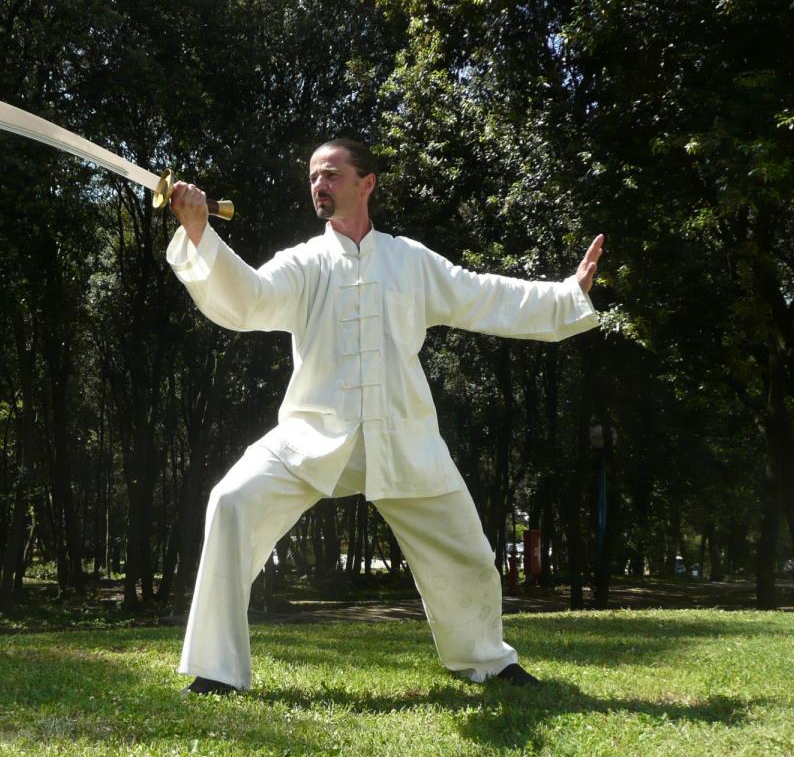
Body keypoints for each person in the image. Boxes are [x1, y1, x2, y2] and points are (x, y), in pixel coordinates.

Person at [166, 139, 604, 695]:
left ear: (366, 183)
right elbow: (249, 299)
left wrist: (567, 296)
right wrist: (200, 231)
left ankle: (487, 662)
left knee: (466, 551)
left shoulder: (409, 261)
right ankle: (217, 671)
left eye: (331, 174)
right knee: (231, 501)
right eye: (313, 177)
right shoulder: (304, 263)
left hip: (403, 437)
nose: (319, 185)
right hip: (312, 434)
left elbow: (483, 295)